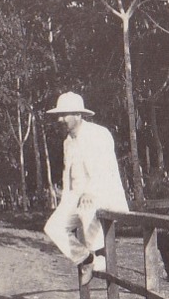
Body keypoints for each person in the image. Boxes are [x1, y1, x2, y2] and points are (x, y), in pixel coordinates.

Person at [42, 91, 130, 272]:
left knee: (87, 209)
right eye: (59, 115)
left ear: (78, 114)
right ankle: (88, 258)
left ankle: (101, 254)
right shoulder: (67, 142)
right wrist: (64, 200)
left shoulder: (98, 134)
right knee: (53, 227)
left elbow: (106, 169)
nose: (60, 120)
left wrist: (91, 192)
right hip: (76, 196)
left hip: (102, 192)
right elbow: (69, 176)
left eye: (64, 115)